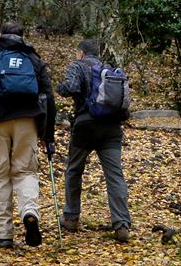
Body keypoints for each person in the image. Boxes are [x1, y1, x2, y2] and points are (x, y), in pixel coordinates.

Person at [0, 20, 55, 248]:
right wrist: (47, 135)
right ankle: (29, 213)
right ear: (22, 37)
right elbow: (48, 98)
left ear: (0, 33)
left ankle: (5, 235)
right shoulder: (34, 60)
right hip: (28, 121)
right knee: (25, 171)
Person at [56, 38, 133, 242]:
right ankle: (121, 224)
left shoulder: (78, 65)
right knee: (115, 175)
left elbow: (70, 88)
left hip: (85, 126)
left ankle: (71, 218)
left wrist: (59, 87)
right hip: (112, 129)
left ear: (80, 53)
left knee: (74, 170)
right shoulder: (108, 69)